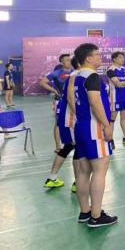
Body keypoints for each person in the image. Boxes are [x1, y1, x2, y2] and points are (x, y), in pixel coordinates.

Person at [72, 43, 118, 227]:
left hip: (81, 127)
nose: (100, 57)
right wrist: (107, 125)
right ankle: (96, 216)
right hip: (94, 128)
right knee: (100, 169)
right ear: (88, 58)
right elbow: (95, 102)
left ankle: (85, 212)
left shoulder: (77, 76)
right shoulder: (92, 76)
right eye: (97, 55)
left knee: (83, 171)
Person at [44, 57, 81, 191]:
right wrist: (79, 114)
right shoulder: (75, 76)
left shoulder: (74, 75)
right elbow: (72, 98)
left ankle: (52, 178)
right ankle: (78, 183)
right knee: (77, 148)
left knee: (69, 147)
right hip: (70, 117)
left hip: (69, 116)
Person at [40, 54, 73, 152]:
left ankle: (72, 143)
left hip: (73, 101)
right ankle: (58, 147)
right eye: (67, 60)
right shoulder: (57, 73)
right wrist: (54, 90)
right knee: (58, 123)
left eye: (70, 59)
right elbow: (42, 82)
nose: (69, 61)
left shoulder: (75, 72)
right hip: (61, 101)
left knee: (74, 122)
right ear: (62, 62)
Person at [107, 52, 125, 145]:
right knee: (112, 119)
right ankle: (110, 140)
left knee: (124, 117)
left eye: (123, 57)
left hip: (124, 96)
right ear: (114, 59)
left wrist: (123, 83)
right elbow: (117, 84)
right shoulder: (111, 70)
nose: (122, 59)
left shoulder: (124, 69)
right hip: (115, 98)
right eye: (120, 57)